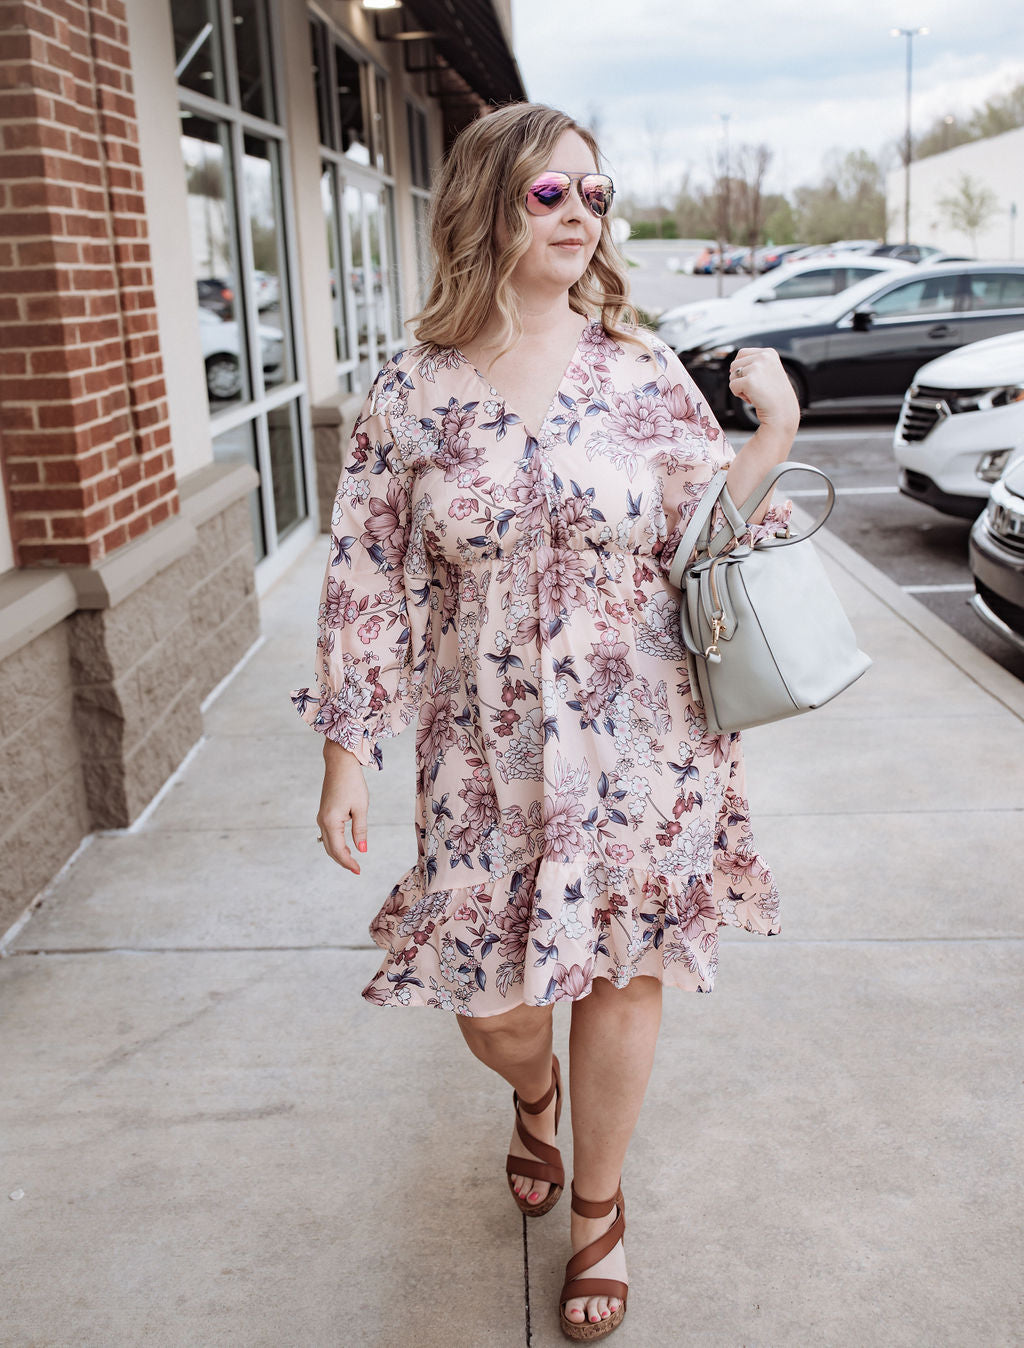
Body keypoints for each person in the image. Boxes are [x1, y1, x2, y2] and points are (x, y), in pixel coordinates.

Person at [290, 102, 799, 1340]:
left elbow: (706, 537)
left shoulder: (638, 367)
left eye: (595, 194)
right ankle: (533, 1097)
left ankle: (599, 1211)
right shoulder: (412, 392)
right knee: (493, 1004)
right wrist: (347, 752)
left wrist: (773, 433)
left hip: (643, 738)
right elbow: (365, 576)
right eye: (550, 193)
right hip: (482, 753)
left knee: (622, 972)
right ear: (487, 204)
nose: (581, 215)